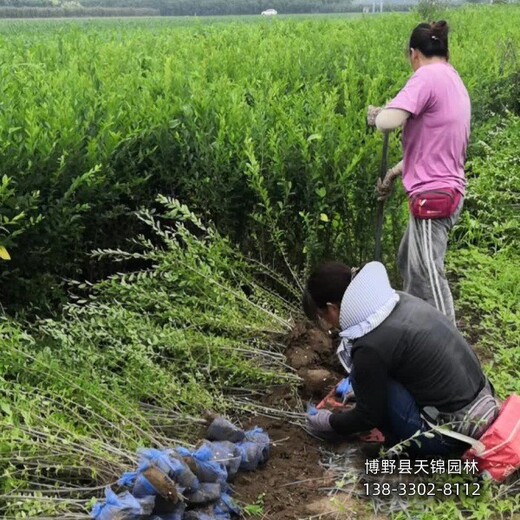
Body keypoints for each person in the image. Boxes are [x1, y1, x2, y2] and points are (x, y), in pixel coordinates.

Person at [304, 261, 498, 456]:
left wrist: (329, 422)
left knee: (373, 388)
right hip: (482, 407)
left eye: (323, 315)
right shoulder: (398, 301)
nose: (328, 323)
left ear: (332, 308)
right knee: (370, 377)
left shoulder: (369, 346)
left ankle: (397, 439)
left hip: (447, 439)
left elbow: (367, 417)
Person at [367, 21, 470, 324]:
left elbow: (388, 122)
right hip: (442, 188)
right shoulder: (451, 78)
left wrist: (377, 115)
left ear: (413, 54)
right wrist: (397, 171)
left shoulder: (426, 76)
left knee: (428, 272)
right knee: (407, 262)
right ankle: (414, 329)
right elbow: (436, 144)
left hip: (433, 197)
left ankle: (449, 346)